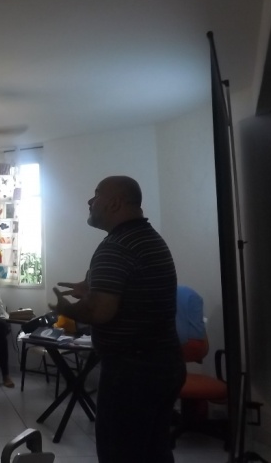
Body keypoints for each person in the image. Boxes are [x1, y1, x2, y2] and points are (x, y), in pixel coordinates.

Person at [52, 176, 185, 463]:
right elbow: (132, 293)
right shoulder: (148, 238)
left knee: (120, 455)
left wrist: (67, 309)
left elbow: (99, 312)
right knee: (155, 453)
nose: (90, 201)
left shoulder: (115, 246)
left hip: (132, 373)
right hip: (165, 364)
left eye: (96, 194)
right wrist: (92, 290)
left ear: (114, 203)